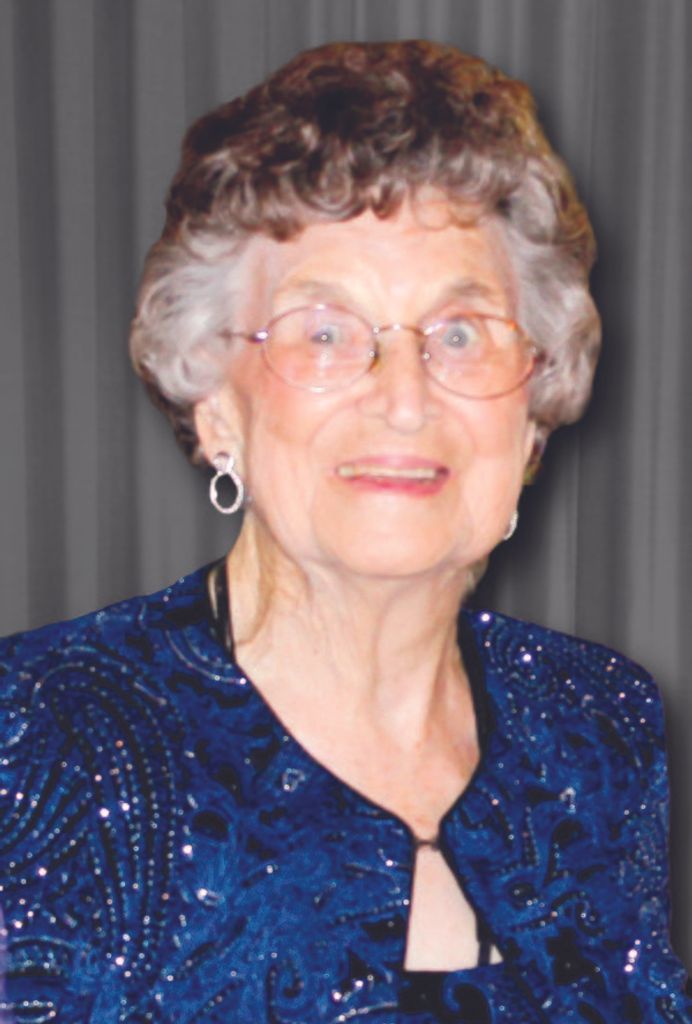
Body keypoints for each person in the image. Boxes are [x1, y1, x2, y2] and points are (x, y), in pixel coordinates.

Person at [0, 39, 689, 1024]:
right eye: (324, 333)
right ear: (214, 403)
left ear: (532, 411)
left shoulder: (595, 722)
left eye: (460, 333)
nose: (404, 399)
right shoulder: (40, 730)